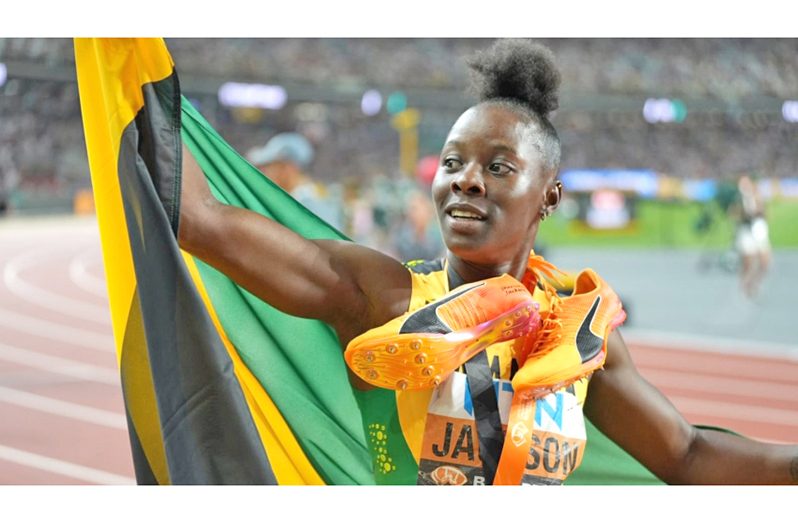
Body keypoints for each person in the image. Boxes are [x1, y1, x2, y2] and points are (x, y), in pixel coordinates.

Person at [177, 40, 797, 485]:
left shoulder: (575, 334)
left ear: (549, 196)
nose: (465, 182)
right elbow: (202, 222)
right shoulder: (383, 298)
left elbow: (685, 456)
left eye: (498, 167)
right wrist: (127, 65)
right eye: (452, 163)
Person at [248, 131, 344, 230]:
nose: (264, 172)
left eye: (270, 165)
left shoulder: (308, 206)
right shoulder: (297, 201)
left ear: (288, 168)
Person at [732, 174, 771, 298]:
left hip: (758, 231)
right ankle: (744, 285)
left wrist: (759, 211)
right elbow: (733, 214)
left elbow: (766, 214)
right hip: (746, 233)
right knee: (748, 263)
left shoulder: (757, 197)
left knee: (765, 262)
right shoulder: (738, 199)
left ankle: (754, 284)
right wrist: (744, 214)